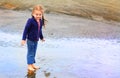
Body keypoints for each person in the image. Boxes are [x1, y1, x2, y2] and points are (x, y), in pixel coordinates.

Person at [21, 5, 46, 71]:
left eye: (40, 14)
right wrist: (23, 39)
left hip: (36, 40)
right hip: (30, 40)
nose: (38, 16)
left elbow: (39, 30)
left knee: (34, 52)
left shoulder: (40, 21)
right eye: (36, 14)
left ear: (42, 14)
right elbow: (26, 30)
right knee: (30, 53)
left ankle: (32, 64)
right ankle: (29, 65)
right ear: (33, 14)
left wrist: (42, 38)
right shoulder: (30, 21)